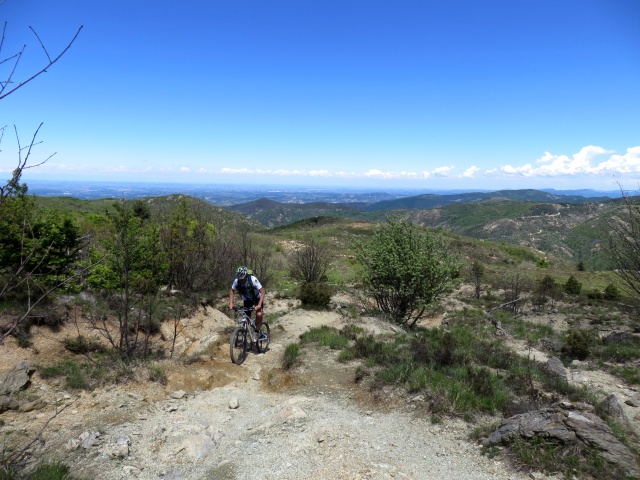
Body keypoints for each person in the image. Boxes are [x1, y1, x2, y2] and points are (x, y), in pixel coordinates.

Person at [229, 266, 265, 338]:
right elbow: (232, 291)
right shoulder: (237, 281)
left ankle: (257, 331)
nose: (241, 280)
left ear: (246, 275)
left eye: (242, 278)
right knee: (246, 319)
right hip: (247, 300)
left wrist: (259, 305)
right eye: (240, 278)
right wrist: (231, 303)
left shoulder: (253, 279)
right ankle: (245, 336)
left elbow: (262, 291)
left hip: (257, 298)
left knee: (259, 314)